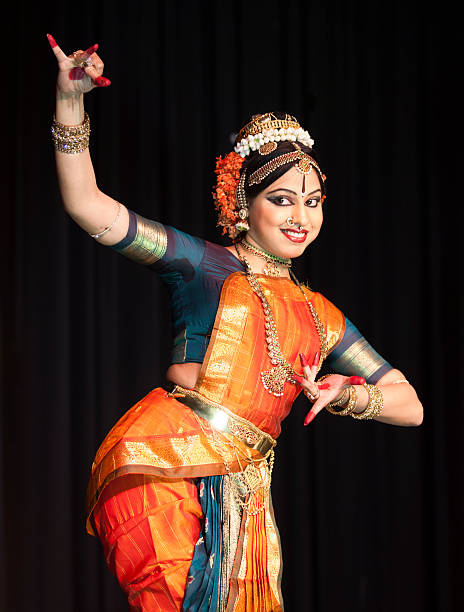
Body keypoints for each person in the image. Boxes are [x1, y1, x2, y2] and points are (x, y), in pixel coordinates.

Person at [48, 35, 423, 612]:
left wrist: (346, 395)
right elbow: (87, 204)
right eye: (283, 200)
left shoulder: (320, 314)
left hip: (245, 492)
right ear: (244, 206)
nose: (301, 217)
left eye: (314, 201)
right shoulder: (202, 264)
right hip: (169, 463)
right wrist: (70, 103)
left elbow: (410, 405)